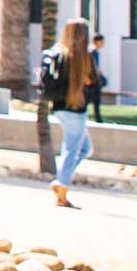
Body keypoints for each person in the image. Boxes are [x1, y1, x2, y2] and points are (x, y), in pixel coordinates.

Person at [46, 18, 103, 208]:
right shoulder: (84, 57)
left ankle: (62, 179)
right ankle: (62, 188)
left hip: (59, 107)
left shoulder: (59, 53)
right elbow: (92, 81)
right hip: (76, 109)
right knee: (72, 149)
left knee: (85, 148)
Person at [90, 33, 108, 123]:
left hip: (94, 80)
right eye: (102, 41)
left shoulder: (95, 52)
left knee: (96, 99)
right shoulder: (92, 52)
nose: (103, 43)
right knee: (95, 98)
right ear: (97, 42)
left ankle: (98, 118)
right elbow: (94, 67)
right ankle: (98, 118)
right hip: (92, 80)